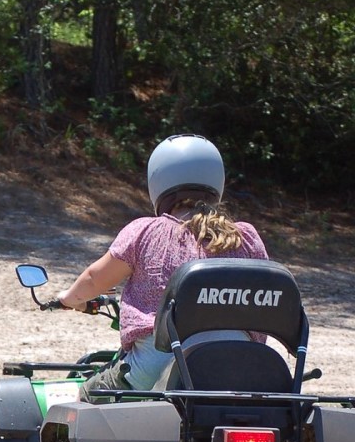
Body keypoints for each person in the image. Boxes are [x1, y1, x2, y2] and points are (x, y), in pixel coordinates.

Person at [56, 134, 268, 393]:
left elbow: (93, 280)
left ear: (158, 180)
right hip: (240, 364)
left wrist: (69, 298)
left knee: (86, 394)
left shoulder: (146, 231)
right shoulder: (245, 237)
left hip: (158, 365)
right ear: (217, 182)